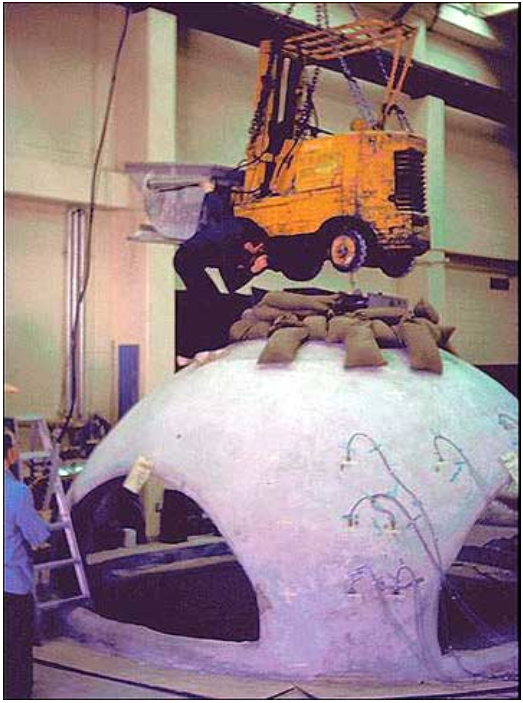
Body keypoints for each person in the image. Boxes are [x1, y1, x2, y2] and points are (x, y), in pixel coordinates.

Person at [4, 431, 50, 699]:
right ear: (9, 455)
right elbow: (38, 536)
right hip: (11, 588)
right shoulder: (16, 492)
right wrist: (41, 519)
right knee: (16, 654)